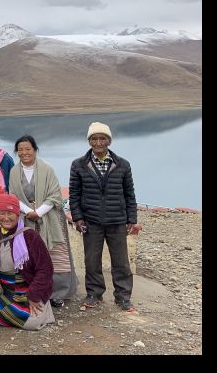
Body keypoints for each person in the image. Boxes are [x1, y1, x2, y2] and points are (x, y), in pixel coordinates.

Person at [70, 122, 138, 312]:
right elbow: (74, 194)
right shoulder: (79, 165)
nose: (98, 142)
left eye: (102, 138)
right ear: (89, 141)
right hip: (91, 221)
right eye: (94, 139)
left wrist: (131, 219)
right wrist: (78, 217)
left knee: (121, 262)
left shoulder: (123, 164)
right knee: (92, 261)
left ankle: (123, 296)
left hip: (117, 220)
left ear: (109, 141)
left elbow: (129, 194)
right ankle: (94, 294)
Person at [0, 193, 55, 330]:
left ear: (18, 214)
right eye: (2, 213)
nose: (6, 218)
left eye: (10, 213)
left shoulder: (30, 236)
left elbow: (45, 269)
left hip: (23, 287)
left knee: (32, 321)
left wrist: (34, 295)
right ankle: (6, 315)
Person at [9, 135, 78, 307]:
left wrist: (38, 212)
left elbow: (55, 195)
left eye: (28, 149)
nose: (24, 153)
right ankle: (33, 290)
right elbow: (13, 196)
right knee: (30, 255)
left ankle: (58, 292)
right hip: (26, 218)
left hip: (50, 217)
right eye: (20, 150)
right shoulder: (13, 172)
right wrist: (28, 211)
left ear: (35, 149)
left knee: (55, 255)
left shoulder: (47, 169)